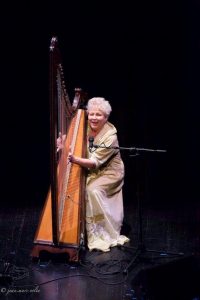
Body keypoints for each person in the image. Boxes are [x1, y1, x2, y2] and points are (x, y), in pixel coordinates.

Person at [68, 97, 129, 252]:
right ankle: (83, 230)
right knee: (79, 187)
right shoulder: (85, 126)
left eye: (98, 115)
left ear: (106, 117)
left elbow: (95, 162)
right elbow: (72, 140)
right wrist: (62, 143)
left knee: (91, 190)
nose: (94, 118)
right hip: (92, 170)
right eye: (92, 114)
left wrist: (75, 160)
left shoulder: (110, 136)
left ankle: (101, 233)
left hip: (110, 172)